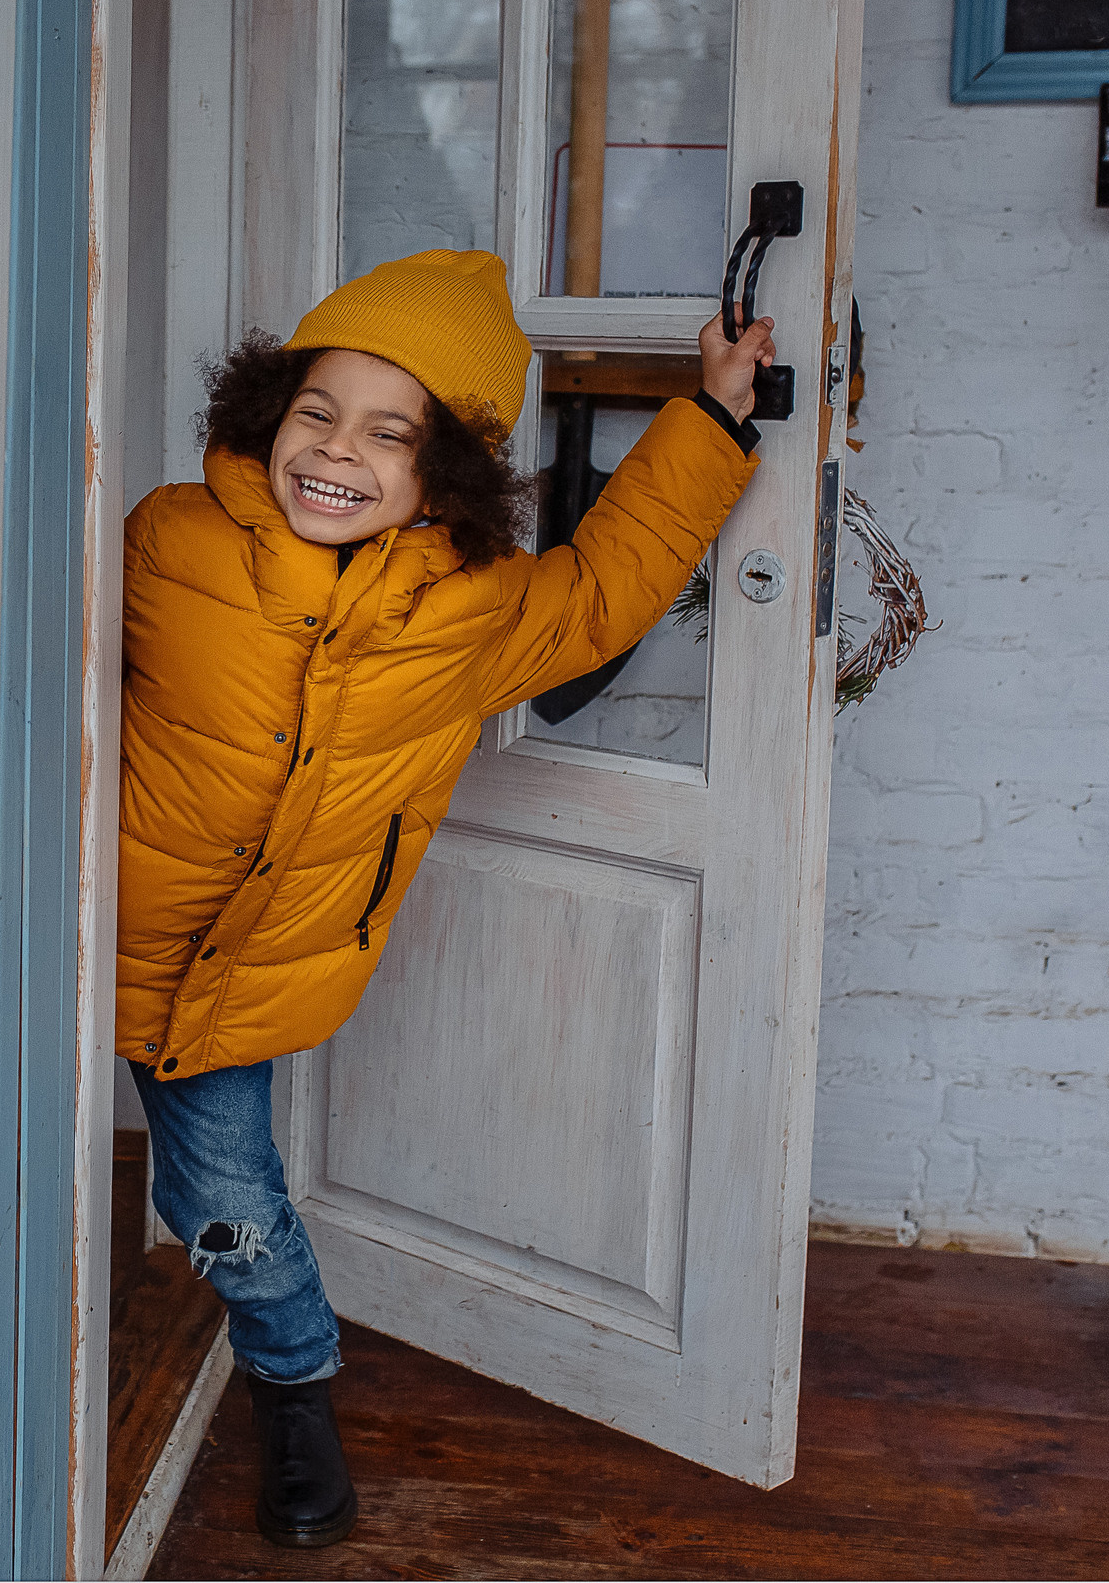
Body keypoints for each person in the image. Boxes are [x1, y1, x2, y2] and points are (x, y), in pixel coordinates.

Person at [119, 248, 775, 1548]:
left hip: (242, 977)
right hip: (80, 928)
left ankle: (295, 1389)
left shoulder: (473, 611)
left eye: (388, 432)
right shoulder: (165, 536)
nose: (337, 452)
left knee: (225, 1207)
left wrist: (710, 419)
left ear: (443, 473)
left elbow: (611, 583)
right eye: (317, 410)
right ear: (268, 412)